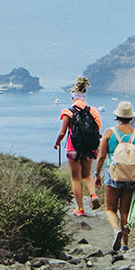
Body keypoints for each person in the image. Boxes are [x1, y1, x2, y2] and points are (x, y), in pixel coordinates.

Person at [93, 100, 135, 252]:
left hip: (113, 175)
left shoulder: (110, 133)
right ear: (131, 117)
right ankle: (125, 243)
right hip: (131, 177)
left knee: (110, 209)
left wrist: (97, 174)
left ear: (117, 116)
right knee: (125, 211)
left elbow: (101, 156)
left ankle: (116, 229)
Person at [54, 76, 103, 216]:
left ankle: (80, 209)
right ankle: (93, 195)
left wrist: (57, 143)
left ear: (73, 97)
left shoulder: (68, 112)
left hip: (73, 149)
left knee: (76, 178)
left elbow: (63, 132)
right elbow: (97, 129)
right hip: (89, 148)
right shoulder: (93, 111)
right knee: (86, 175)